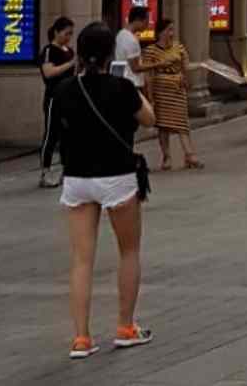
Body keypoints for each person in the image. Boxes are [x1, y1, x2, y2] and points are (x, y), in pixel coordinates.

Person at [46, 21, 156, 359]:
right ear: (111, 55)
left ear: (79, 54)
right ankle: (125, 326)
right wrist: (129, 88)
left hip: (77, 179)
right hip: (117, 176)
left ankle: (81, 338)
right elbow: (149, 118)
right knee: (129, 252)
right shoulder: (121, 88)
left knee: (81, 260)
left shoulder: (65, 90)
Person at [137, 18, 200, 169]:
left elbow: (186, 66)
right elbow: (147, 74)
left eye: (172, 29)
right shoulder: (150, 50)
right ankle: (167, 157)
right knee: (163, 125)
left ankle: (189, 155)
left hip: (177, 89)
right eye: (168, 30)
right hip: (161, 91)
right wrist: (150, 96)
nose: (171, 33)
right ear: (160, 32)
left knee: (182, 123)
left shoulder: (179, 47)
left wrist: (201, 65)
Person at [38, 17, 78, 187]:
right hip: (54, 96)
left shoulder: (69, 50)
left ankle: (66, 169)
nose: (68, 37)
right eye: (66, 33)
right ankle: (45, 171)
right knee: (51, 134)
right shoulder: (49, 50)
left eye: (71, 34)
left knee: (67, 135)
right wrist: (70, 64)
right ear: (56, 31)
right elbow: (49, 72)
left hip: (69, 97)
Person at [113, 6, 148, 87]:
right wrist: (159, 64)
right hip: (132, 84)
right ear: (138, 19)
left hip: (123, 80)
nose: (147, 24)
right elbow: (135, 68)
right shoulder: (131, 39)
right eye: (146, 20)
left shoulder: (120, 34)